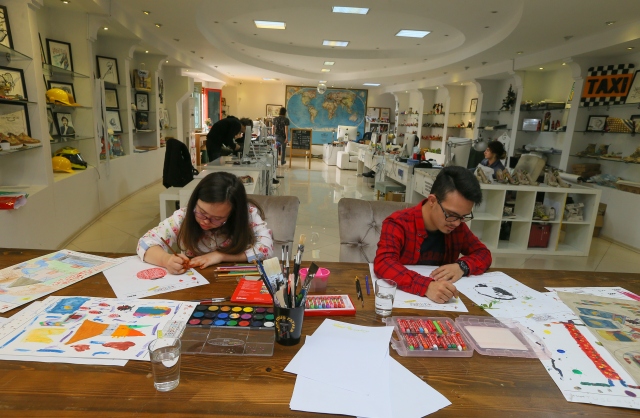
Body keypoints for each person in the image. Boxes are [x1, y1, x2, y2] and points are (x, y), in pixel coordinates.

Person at [373, 166, 492, 303]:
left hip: (444, 304)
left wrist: (462, 267)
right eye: (451, 214)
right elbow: (384, 262)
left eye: (463, 217)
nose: (457, 223)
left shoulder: (458, 227)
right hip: (406, 302)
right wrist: (427, 286)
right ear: (432, 201)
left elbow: (483, 253)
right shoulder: (398, 223)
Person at [137, 171, 273, 274]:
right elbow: (145, 242)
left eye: (217, 218)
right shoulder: (184, 216)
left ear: (233, 214)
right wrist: (165, 259)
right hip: (194, 283)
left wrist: (220, 256)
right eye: (201, 212)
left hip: (235, 279)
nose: (205, 221)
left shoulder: (247, 215)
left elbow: (266, 248)